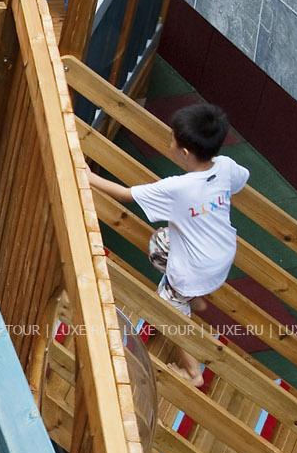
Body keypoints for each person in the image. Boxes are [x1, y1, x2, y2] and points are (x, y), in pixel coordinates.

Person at [87, 102, 248, 386]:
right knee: (161, 242)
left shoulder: (177, 188)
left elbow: (125, 194)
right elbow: (239, 181)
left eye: (172, 139)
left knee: (166, 312)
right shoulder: (225, 166)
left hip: (195, 269)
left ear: (184, 153)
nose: (169, 143)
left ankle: (193, 373)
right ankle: (193, 297)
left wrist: (88, 176)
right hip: (222, 253)